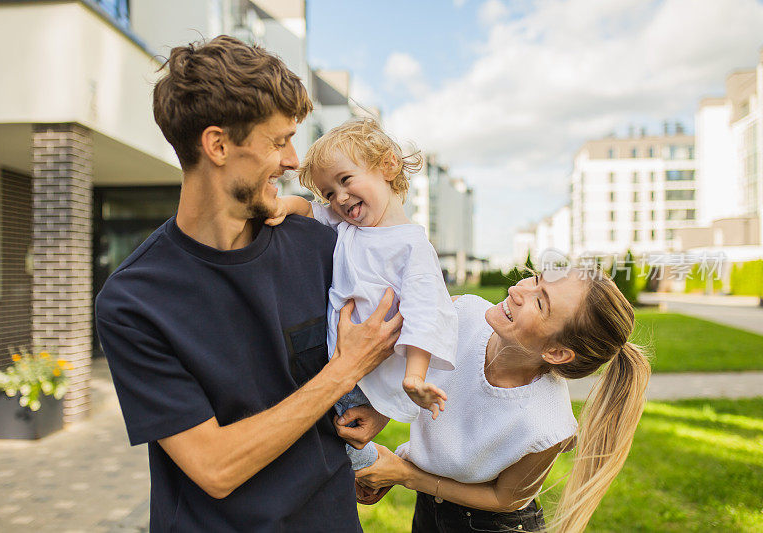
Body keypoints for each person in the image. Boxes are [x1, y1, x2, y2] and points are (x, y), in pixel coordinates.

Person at [95, 36, 401, 532]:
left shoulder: (322, 247)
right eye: (278, 141)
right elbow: (215, 467)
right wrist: (342, 373)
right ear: (217, 145)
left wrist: (378, 407)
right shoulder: (134, 301)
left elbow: (394, 336)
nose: (293, 160)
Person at [355, 268, 651, 533]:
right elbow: (411, 370)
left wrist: (405, 475)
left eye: (540, 302)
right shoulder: (461, 314)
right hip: (430, 509)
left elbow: (505, 499)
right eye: (535, 279)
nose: (517, 290)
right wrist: (381, 414)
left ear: (557, 353)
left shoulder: (547, 425)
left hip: (494, 526)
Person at [266, 118, 457, 470]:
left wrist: (414, 377)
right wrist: (284, 206)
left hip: (365, 372)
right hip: (333, 355)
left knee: (331, 429)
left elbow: (425, 314)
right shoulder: (348, 225)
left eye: (345, 180)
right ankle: (361, 465)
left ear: (387, 165)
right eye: (328, 191)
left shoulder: (410, 245)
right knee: (316, 427)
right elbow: (310, 210)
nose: (338, 198)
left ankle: (366, 465)